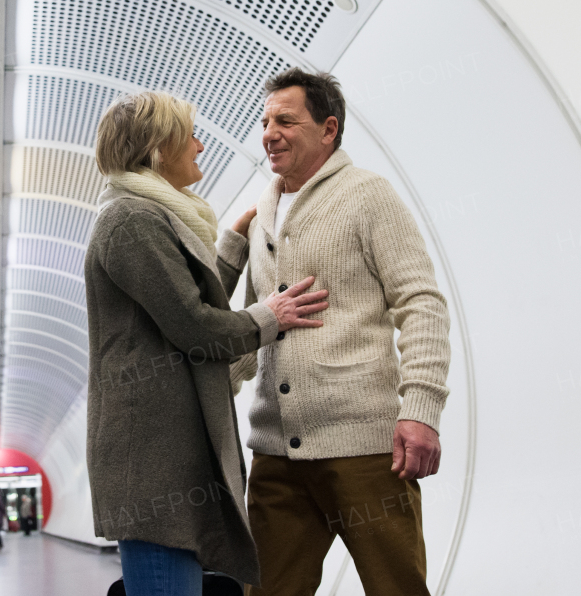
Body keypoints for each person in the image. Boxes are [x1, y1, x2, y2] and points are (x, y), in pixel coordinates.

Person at [84, 91, 331, 596]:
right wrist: (271, 316)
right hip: (153, 467)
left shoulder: (152, 215)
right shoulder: (131, 220)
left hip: (169, 456)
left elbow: (182, 301)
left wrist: (235, 242)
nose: (200, 145)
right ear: (156, 150)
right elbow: (196, 326)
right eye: (189, 137)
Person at [232, 69, 451, 596]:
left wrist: (420, 410)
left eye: (286, 120)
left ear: (328, 129)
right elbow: (248, 326)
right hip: (275, 455)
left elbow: (420, 302)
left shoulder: (368, 195)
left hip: (366, 449)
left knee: (395, 588)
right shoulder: (259, 215)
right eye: (265, 121)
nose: (269, 132)